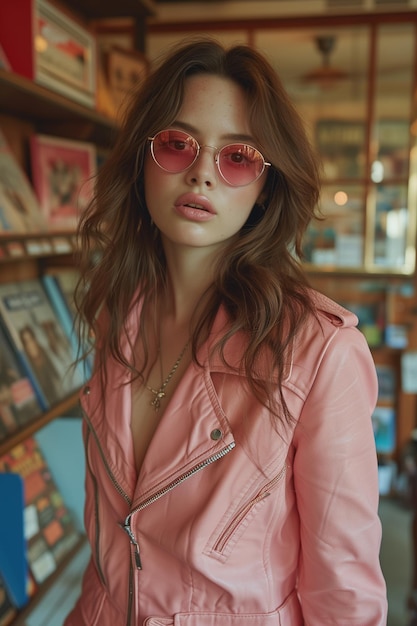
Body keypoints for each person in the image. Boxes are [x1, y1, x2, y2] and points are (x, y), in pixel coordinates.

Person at [64, 38, 388, 625]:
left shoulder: (320, 354)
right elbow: (114, 553)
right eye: (176, 144)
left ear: (265, 187)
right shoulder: (118, 315)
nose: (202, 175)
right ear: (143, 160)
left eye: (237, 156)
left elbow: (344, 595)